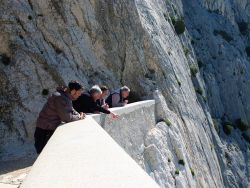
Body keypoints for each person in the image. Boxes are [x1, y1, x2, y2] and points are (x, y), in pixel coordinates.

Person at [34, 81, 85, 154]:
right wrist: (79, 117)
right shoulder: (60, 97)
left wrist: (79, 115)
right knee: (44, 153)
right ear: (73, 91)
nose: (80, 95)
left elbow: (71, 110)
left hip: (48, 128)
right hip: (45, 130)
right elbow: (67, 118)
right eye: (79, 92)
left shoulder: (66, 97)